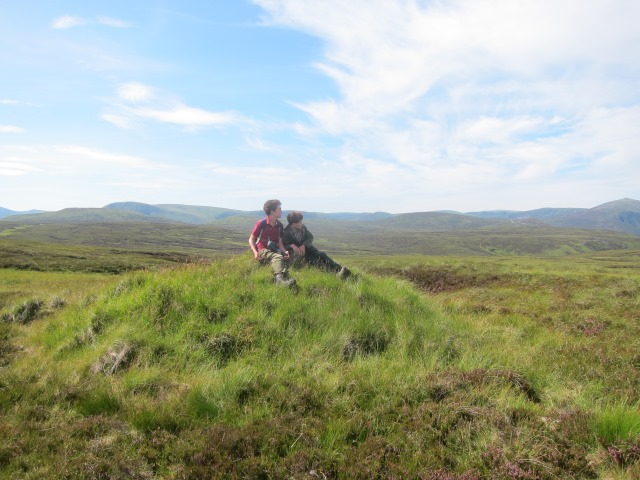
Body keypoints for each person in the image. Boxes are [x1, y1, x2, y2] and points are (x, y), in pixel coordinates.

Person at [283, 211, 351, 279]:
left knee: (322, 255)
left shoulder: (303, 228)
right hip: (301, 255)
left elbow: (310, 237)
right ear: (294, 224)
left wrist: (304, 245)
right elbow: (284, 245)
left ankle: (341, 269)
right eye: (300, 222)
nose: (302, 223)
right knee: (316, 261)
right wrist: (291, 245)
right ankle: (335, 275)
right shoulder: (286, 232)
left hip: (309, 249)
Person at [248, 199, 296, 287]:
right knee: (277, 257)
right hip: (262, 249)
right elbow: (251, 239)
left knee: (284, 257)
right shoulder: (261, 223)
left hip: (273, 248)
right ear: (272, 211)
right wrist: (255, 252)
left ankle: (283, 276)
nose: (281, 211)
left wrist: (285, 251)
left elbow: (280, 243)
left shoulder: (280, 226)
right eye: (279, 209)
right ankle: (279, 281)